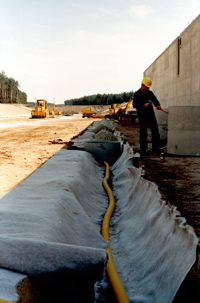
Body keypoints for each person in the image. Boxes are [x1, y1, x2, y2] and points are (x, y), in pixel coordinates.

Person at [133, 77, 161, 155]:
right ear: (142, 85)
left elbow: (155, 101)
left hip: (151, 115)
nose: (148, 88)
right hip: (142, 115)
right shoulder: (137, 94)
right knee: (143, 132)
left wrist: (158, 105)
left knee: (155, 131)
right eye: (147, 87)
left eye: (148, 87)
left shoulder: (150, 93)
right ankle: (143, 149)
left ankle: (156, 149)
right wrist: (143, 105)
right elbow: (135, 104)